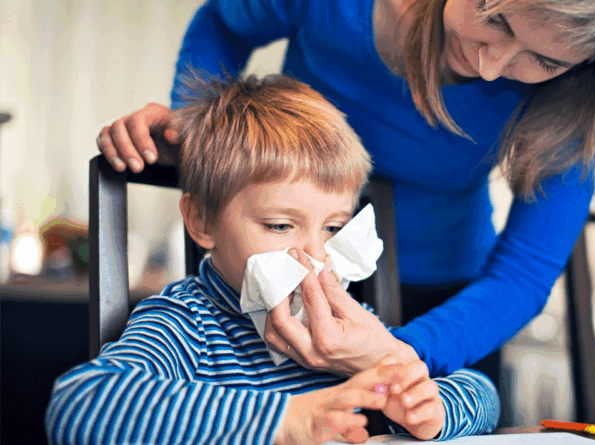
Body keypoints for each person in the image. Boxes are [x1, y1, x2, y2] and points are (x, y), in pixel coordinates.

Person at [95, 0, 595, 384]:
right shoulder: (183, 328)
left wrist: (392, 357)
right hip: (276, 281)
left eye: (544, 61)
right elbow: (223, 22)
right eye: (494, 19)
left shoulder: (589, 89)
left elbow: (523, 273)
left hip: (448, 305)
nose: (492, 67)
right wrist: (204, 129)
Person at [48, 74, 500, 444]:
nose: (316, 257)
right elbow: (82, 404)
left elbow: (481, 391)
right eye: (281, 226)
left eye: (333, 228)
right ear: (201, 221)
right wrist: (286, 420)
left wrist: (428, 407)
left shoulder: (344, 326)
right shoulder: (187, 324)